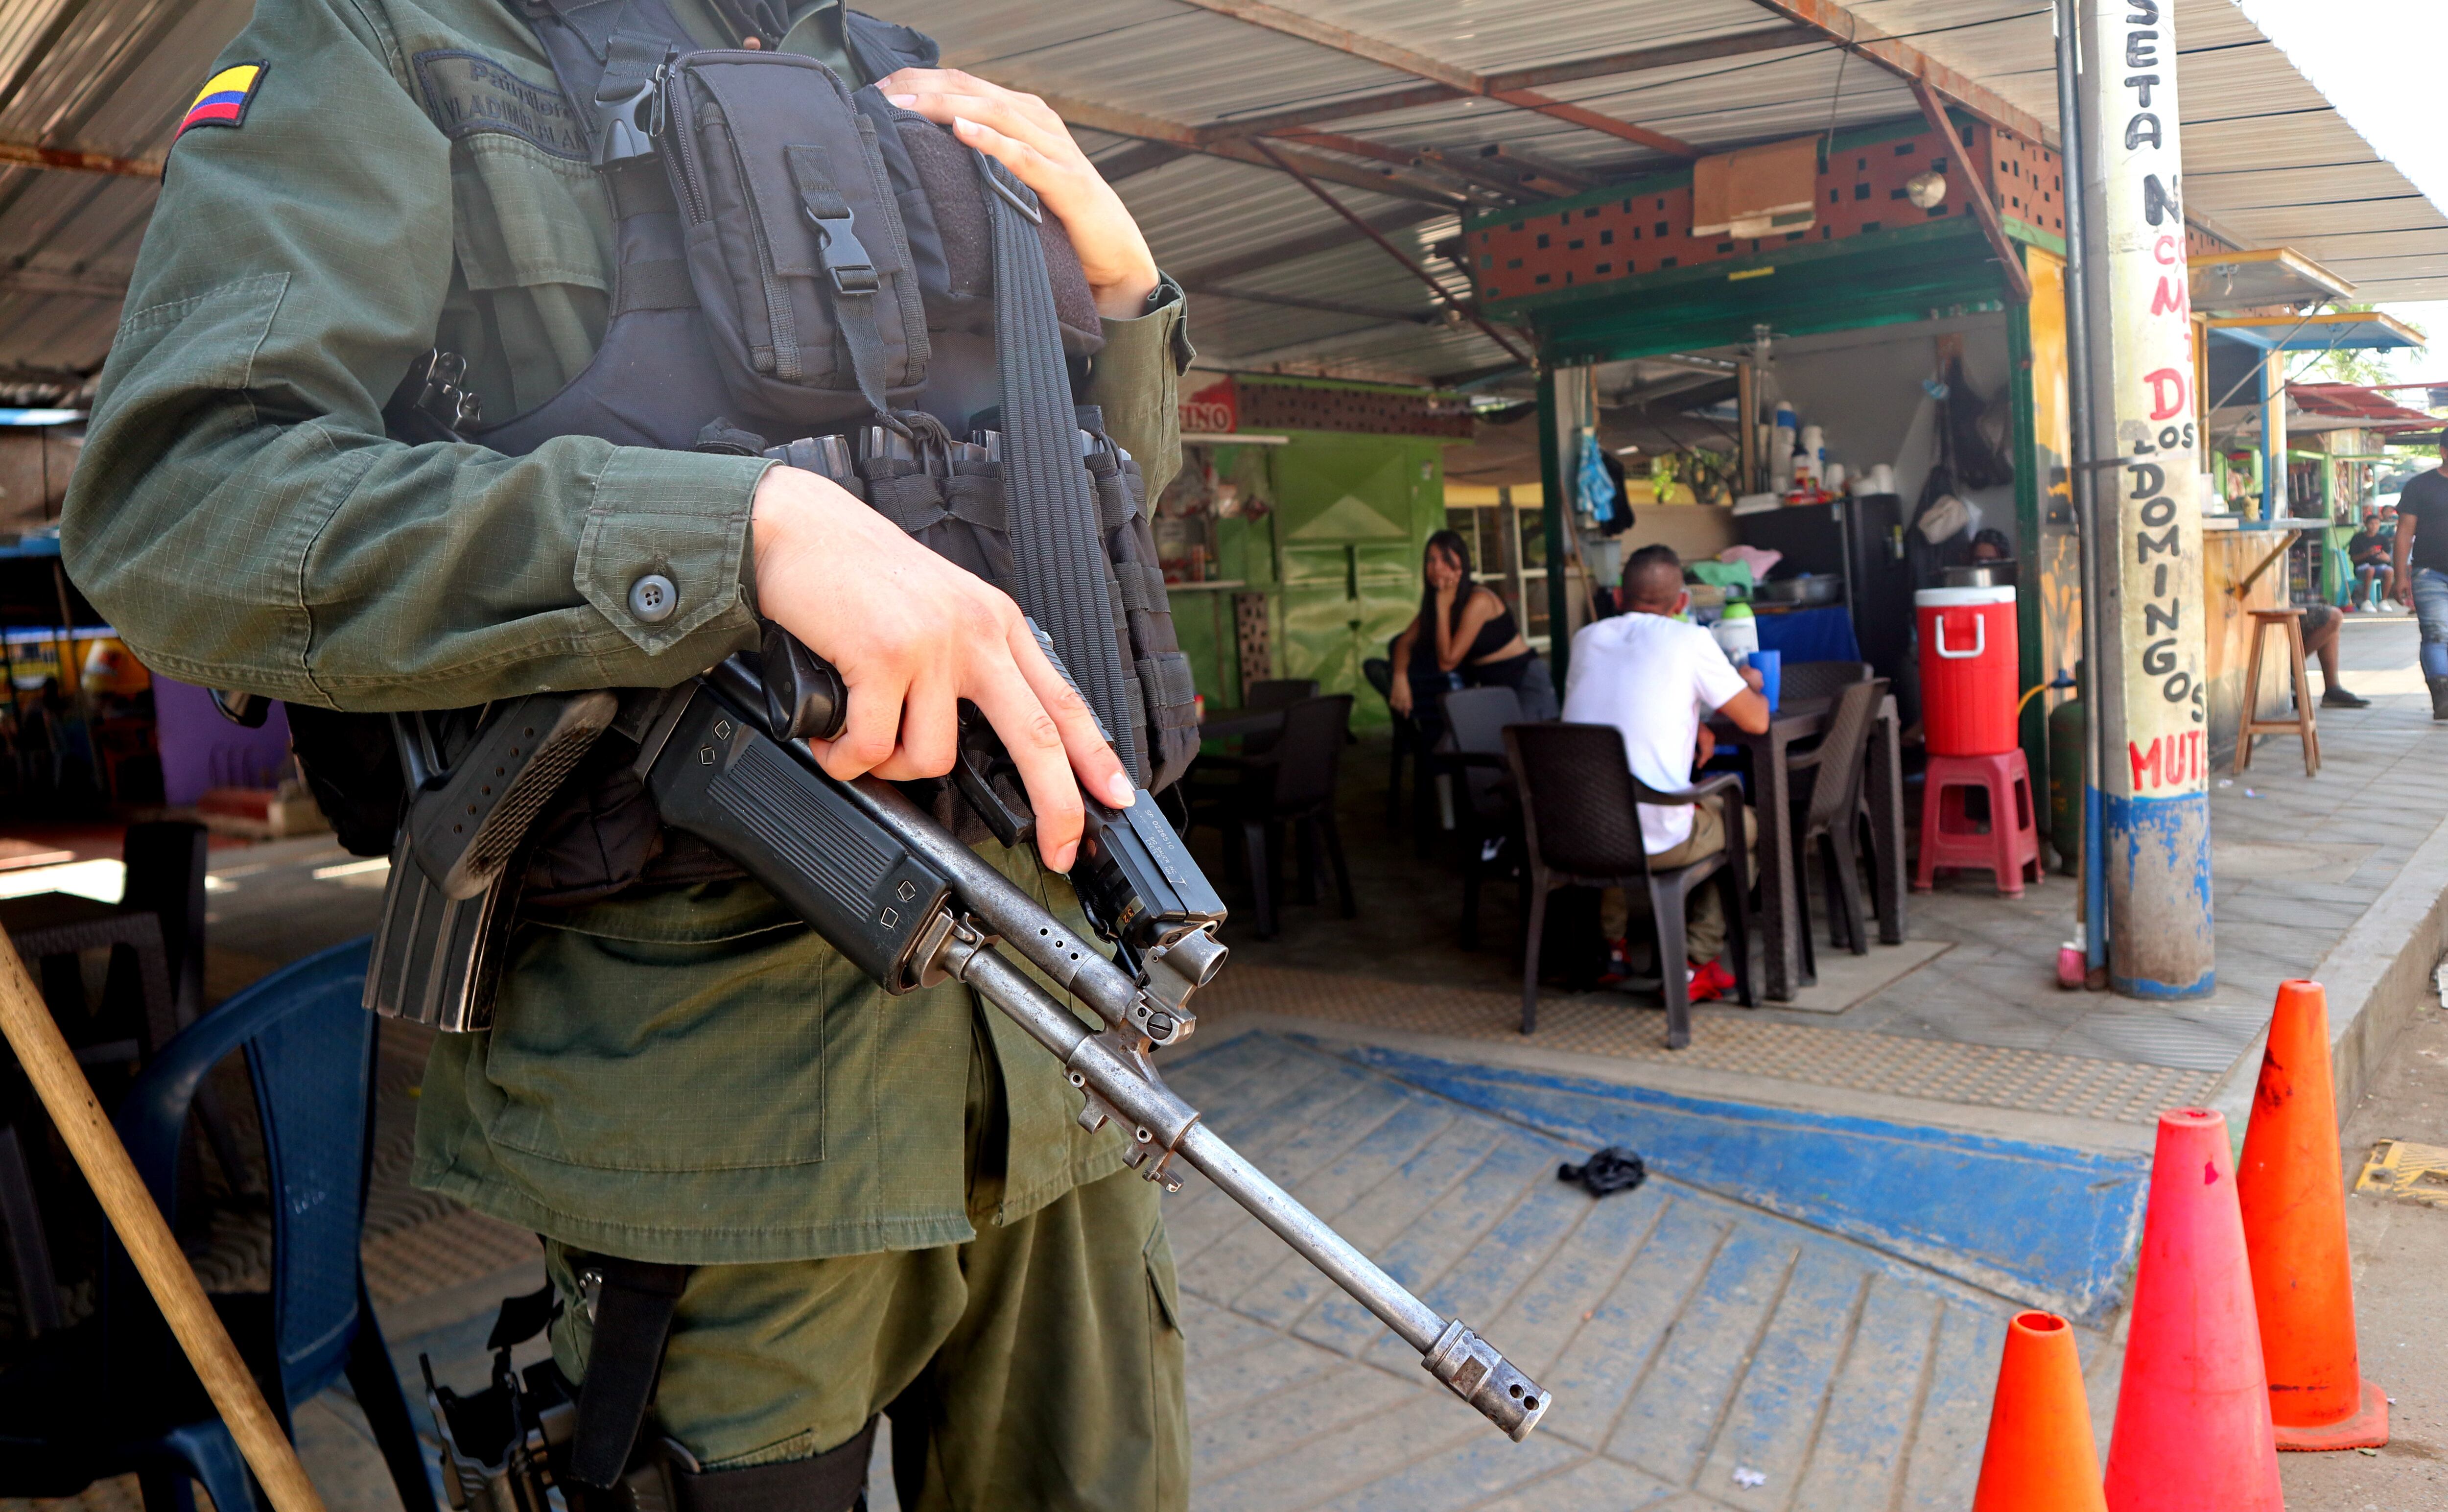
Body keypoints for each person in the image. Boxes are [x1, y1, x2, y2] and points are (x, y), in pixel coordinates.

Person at [61, 3, 1197, 1508]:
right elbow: (177, 512)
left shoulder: (882, 65)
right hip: (718, 1129)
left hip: (1059, 1067)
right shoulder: (395, 40)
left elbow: (1071, 522)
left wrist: (1128, 302)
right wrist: (728, 537)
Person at [1560, 544, 1770, 1003]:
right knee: (1749, 825)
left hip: (1574, 835)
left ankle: (1612, 950)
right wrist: (1750, 684)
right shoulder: (1690, 640)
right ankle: (1695, 962)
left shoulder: (1585, 641)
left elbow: (1621, 702)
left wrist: (1693, 720)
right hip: (1655, 841)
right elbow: (1756, 721)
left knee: (1614, 800)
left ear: (1618, 596)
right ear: (1681, 604)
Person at [1386, 529, 1542, 737]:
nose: (1437, 567)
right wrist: (1399, 679)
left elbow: (1448, 662)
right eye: (1431, 560)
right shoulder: (1437, 605)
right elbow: (1404, 642)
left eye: (1446, 558)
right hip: (1491, 689)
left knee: (1524, 754)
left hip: (1523, 682)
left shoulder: (1479, 601)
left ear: (1462, 564)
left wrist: (1442, 606)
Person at [2390, 436, 2448, 720]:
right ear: (2443, 451)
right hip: (2429, 574)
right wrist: (2400, 575)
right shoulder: (2419, 486)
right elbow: (2404, 532)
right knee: (2436, 633)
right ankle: (2443, 697)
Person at [2347, 508, 2395, 610]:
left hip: (2379, 567)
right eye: (2371, 524)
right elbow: (2353, 559)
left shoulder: (2383, 539)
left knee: (2390, 571)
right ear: (2366, 524)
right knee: (2370, 570)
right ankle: (2366, 601)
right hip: (2361, 568)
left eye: (2377, 524)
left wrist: (2386, 558)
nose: (2374, 527)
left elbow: (2389, 558)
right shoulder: (2358, 538)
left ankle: (2383, 601)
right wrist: (2368, 554)